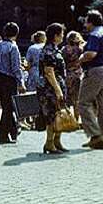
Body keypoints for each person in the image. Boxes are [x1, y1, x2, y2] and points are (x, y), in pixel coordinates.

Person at [77, 9, 103, 149]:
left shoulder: (94, 35)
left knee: (83, 103)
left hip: (95, 70)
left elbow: (91, 54)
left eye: (86, 21)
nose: (85, 24)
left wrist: (80, 58)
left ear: (91, 22)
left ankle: (95, 134)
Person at [0, 22, 24, 144]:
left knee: (5, 105)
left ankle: (13, 130)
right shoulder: (13, 47)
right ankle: (3, 135)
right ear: (16, 34)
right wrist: (21, 82)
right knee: (9, 107)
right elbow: (16, 67)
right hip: (9, 79)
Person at [38, 22, 69, 154]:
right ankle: (49, 143)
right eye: (61, 34)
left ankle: (57, 141)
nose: (63, 36)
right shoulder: (48, 51)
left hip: (58, 85)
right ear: (55, 36)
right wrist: (58, 90)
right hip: (50, 89)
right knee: (51, 115)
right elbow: (49, 72)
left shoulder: (55, 49)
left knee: (58, 114)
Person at [62, 31, 84, 120]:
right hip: (78, 74)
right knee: (77, 99)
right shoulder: (80, 49)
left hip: (67, 74)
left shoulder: (64, 49)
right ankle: (76, 119)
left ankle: (67, 119)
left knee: (66, 98)